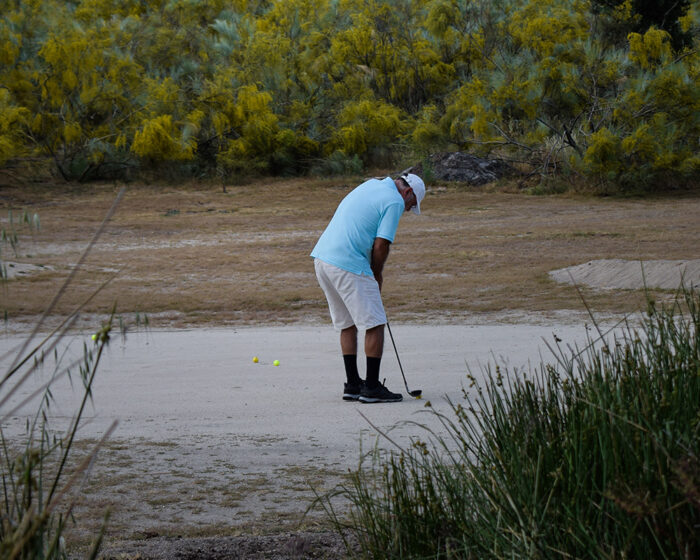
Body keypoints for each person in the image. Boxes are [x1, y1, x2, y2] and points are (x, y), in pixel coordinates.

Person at [311, 173, 426, 403]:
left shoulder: (371, 184)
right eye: (410, 205)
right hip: (348, 262)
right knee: (375, 322)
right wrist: (376, 273)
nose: (406, 210)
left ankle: (353, 384)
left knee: (347, 323)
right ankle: (371, 387)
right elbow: (381, 244)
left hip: (322, 259)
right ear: (408, 193)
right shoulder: (394, 201)